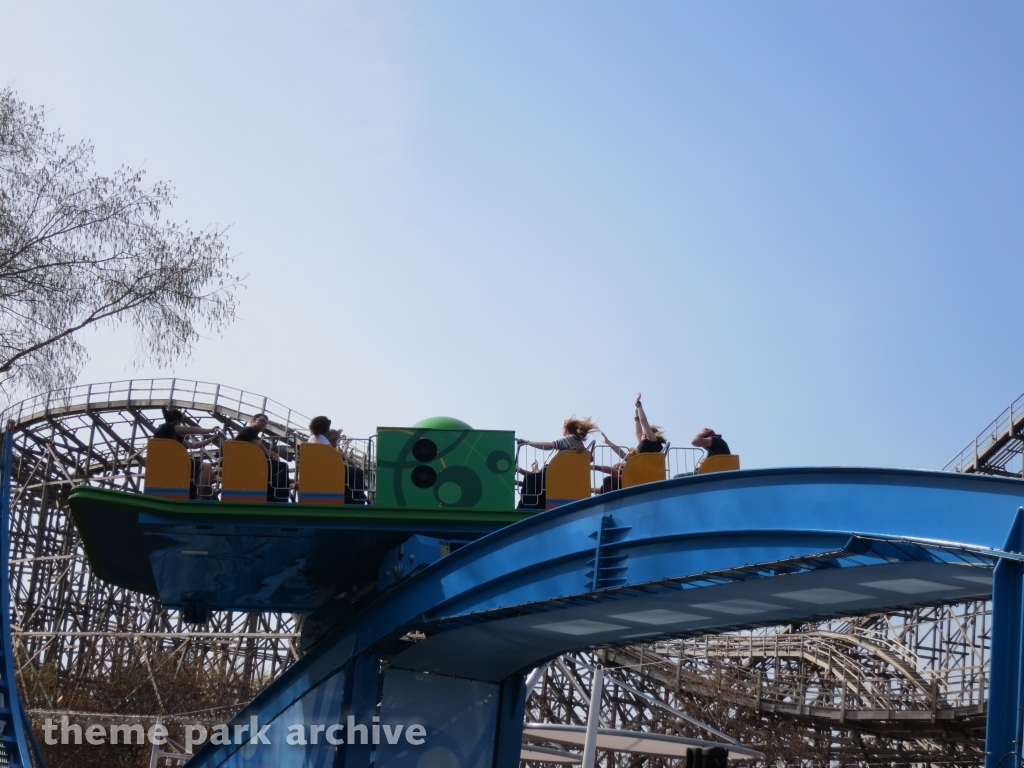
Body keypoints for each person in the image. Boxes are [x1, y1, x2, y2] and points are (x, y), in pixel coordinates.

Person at [153, 407, 221, 498]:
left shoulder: (165, 432)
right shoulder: (169, 427)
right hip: (173, 465)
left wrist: (211, 440)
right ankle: (198, 497)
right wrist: (210, 430)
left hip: (167, 464)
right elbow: (191, 430)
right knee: (206, 466)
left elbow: (193, 445)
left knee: (205, 467)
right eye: (180, 423)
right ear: (177, 421)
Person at [234, 413, 291, 502]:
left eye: (265, 423)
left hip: (250, 462)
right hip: (248, 463)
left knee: (276, 466)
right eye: (261, 421)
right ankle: (278, 497)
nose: (263, 424)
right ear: (253, 420)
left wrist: (271, 454)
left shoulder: (250, 433)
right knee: (282, 467)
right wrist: (273, 454)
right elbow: (260, 448)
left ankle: (273, 493)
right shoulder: (249, 430)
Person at [516, 416, 598, 452]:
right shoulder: (579, 442)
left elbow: (550, 445)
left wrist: (527, 442)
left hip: (561, 473)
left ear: (566, 429)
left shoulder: (570, 439)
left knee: (530, 479)